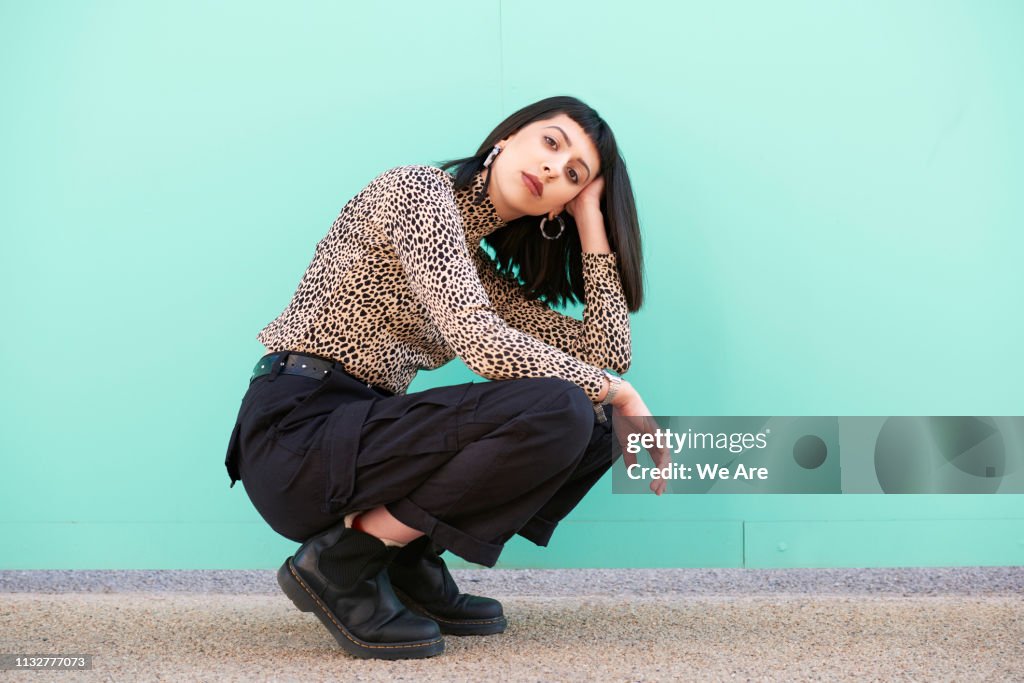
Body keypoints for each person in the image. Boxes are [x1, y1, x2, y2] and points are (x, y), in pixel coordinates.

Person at [223, 95, 667, 660]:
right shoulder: (418, 192)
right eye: (551, 143)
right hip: (298, 432)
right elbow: (480, 342)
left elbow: (606, 350)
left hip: (361, 442)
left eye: (573, 175)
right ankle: (344, 562)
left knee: (595, 419)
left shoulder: (476, 268)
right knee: (568, 403)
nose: (555, 167)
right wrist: (618, 391)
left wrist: (591, 221)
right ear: (506, 139)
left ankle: (405, 559)